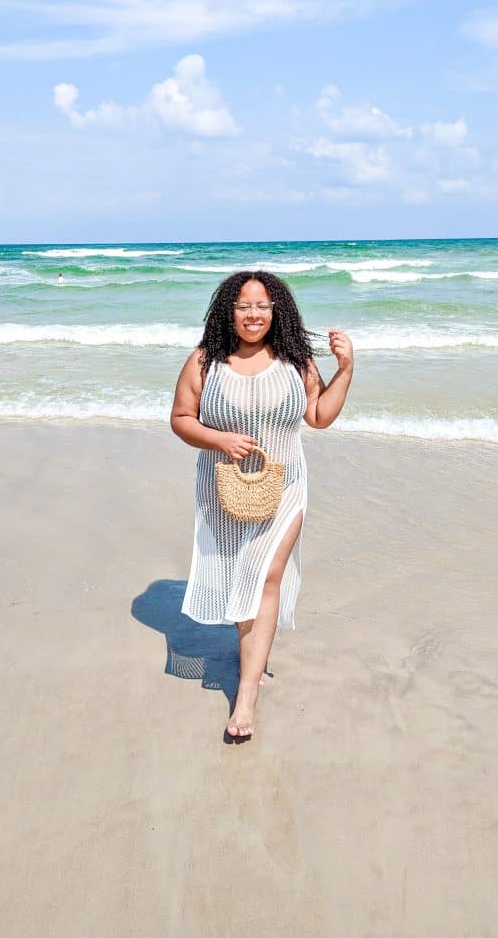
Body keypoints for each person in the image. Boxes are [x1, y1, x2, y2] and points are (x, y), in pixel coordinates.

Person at [170, 271, 353, 739]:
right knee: (241, 577)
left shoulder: (296, 360)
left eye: (263, 306)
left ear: (277, 312)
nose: (254, 315)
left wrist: (345, 370)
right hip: (222, 490)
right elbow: (181, 419)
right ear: (229, 311)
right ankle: (254, 656)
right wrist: (219, 439)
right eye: (244, 306)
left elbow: (318, 417)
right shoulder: (205, 361)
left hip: (286, 485)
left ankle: (246, 694)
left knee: (266, 574)